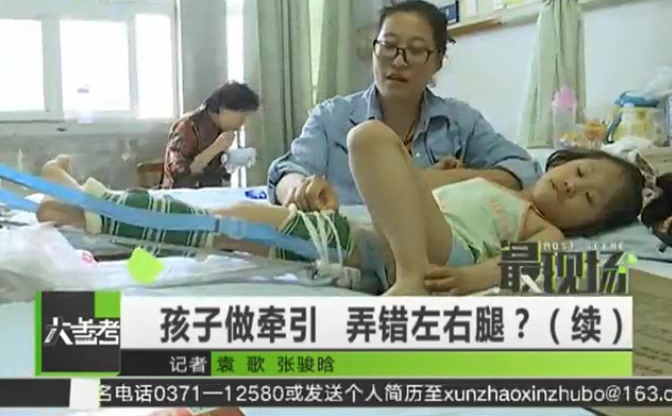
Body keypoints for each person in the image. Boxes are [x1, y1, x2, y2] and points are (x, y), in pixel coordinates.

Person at [36, 122, 643, 297]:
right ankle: (84, 207)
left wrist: (464, 280)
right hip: (362, 236)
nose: (573, 187)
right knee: (229, 224)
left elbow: (521, 270)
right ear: (563, 160)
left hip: (436, 257)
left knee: (369, 136)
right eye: (580, 172)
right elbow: (399, 186)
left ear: (593, 224)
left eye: (590, 198)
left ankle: (409, 279)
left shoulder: (545, 230)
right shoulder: (491, 181)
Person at [268, 0, 542, 211]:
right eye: (388, 46)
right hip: (348, 248)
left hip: (433, 252)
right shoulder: (331, 117)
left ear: (438, 62)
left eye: (416, 50)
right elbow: (287, 172)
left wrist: (441, 181)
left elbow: (523, 170)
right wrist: (298, 189)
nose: (398, 61)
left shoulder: (459, 122)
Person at [161, 82, 260, 189]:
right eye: (241, 117)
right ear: (223, 109)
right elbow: (178, 175)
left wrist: (232, 159)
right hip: (180, 195)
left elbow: (217, 170)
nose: (242, 123)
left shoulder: (220, 128)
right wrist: (216, 148)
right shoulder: (187, 126)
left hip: (211, 193)